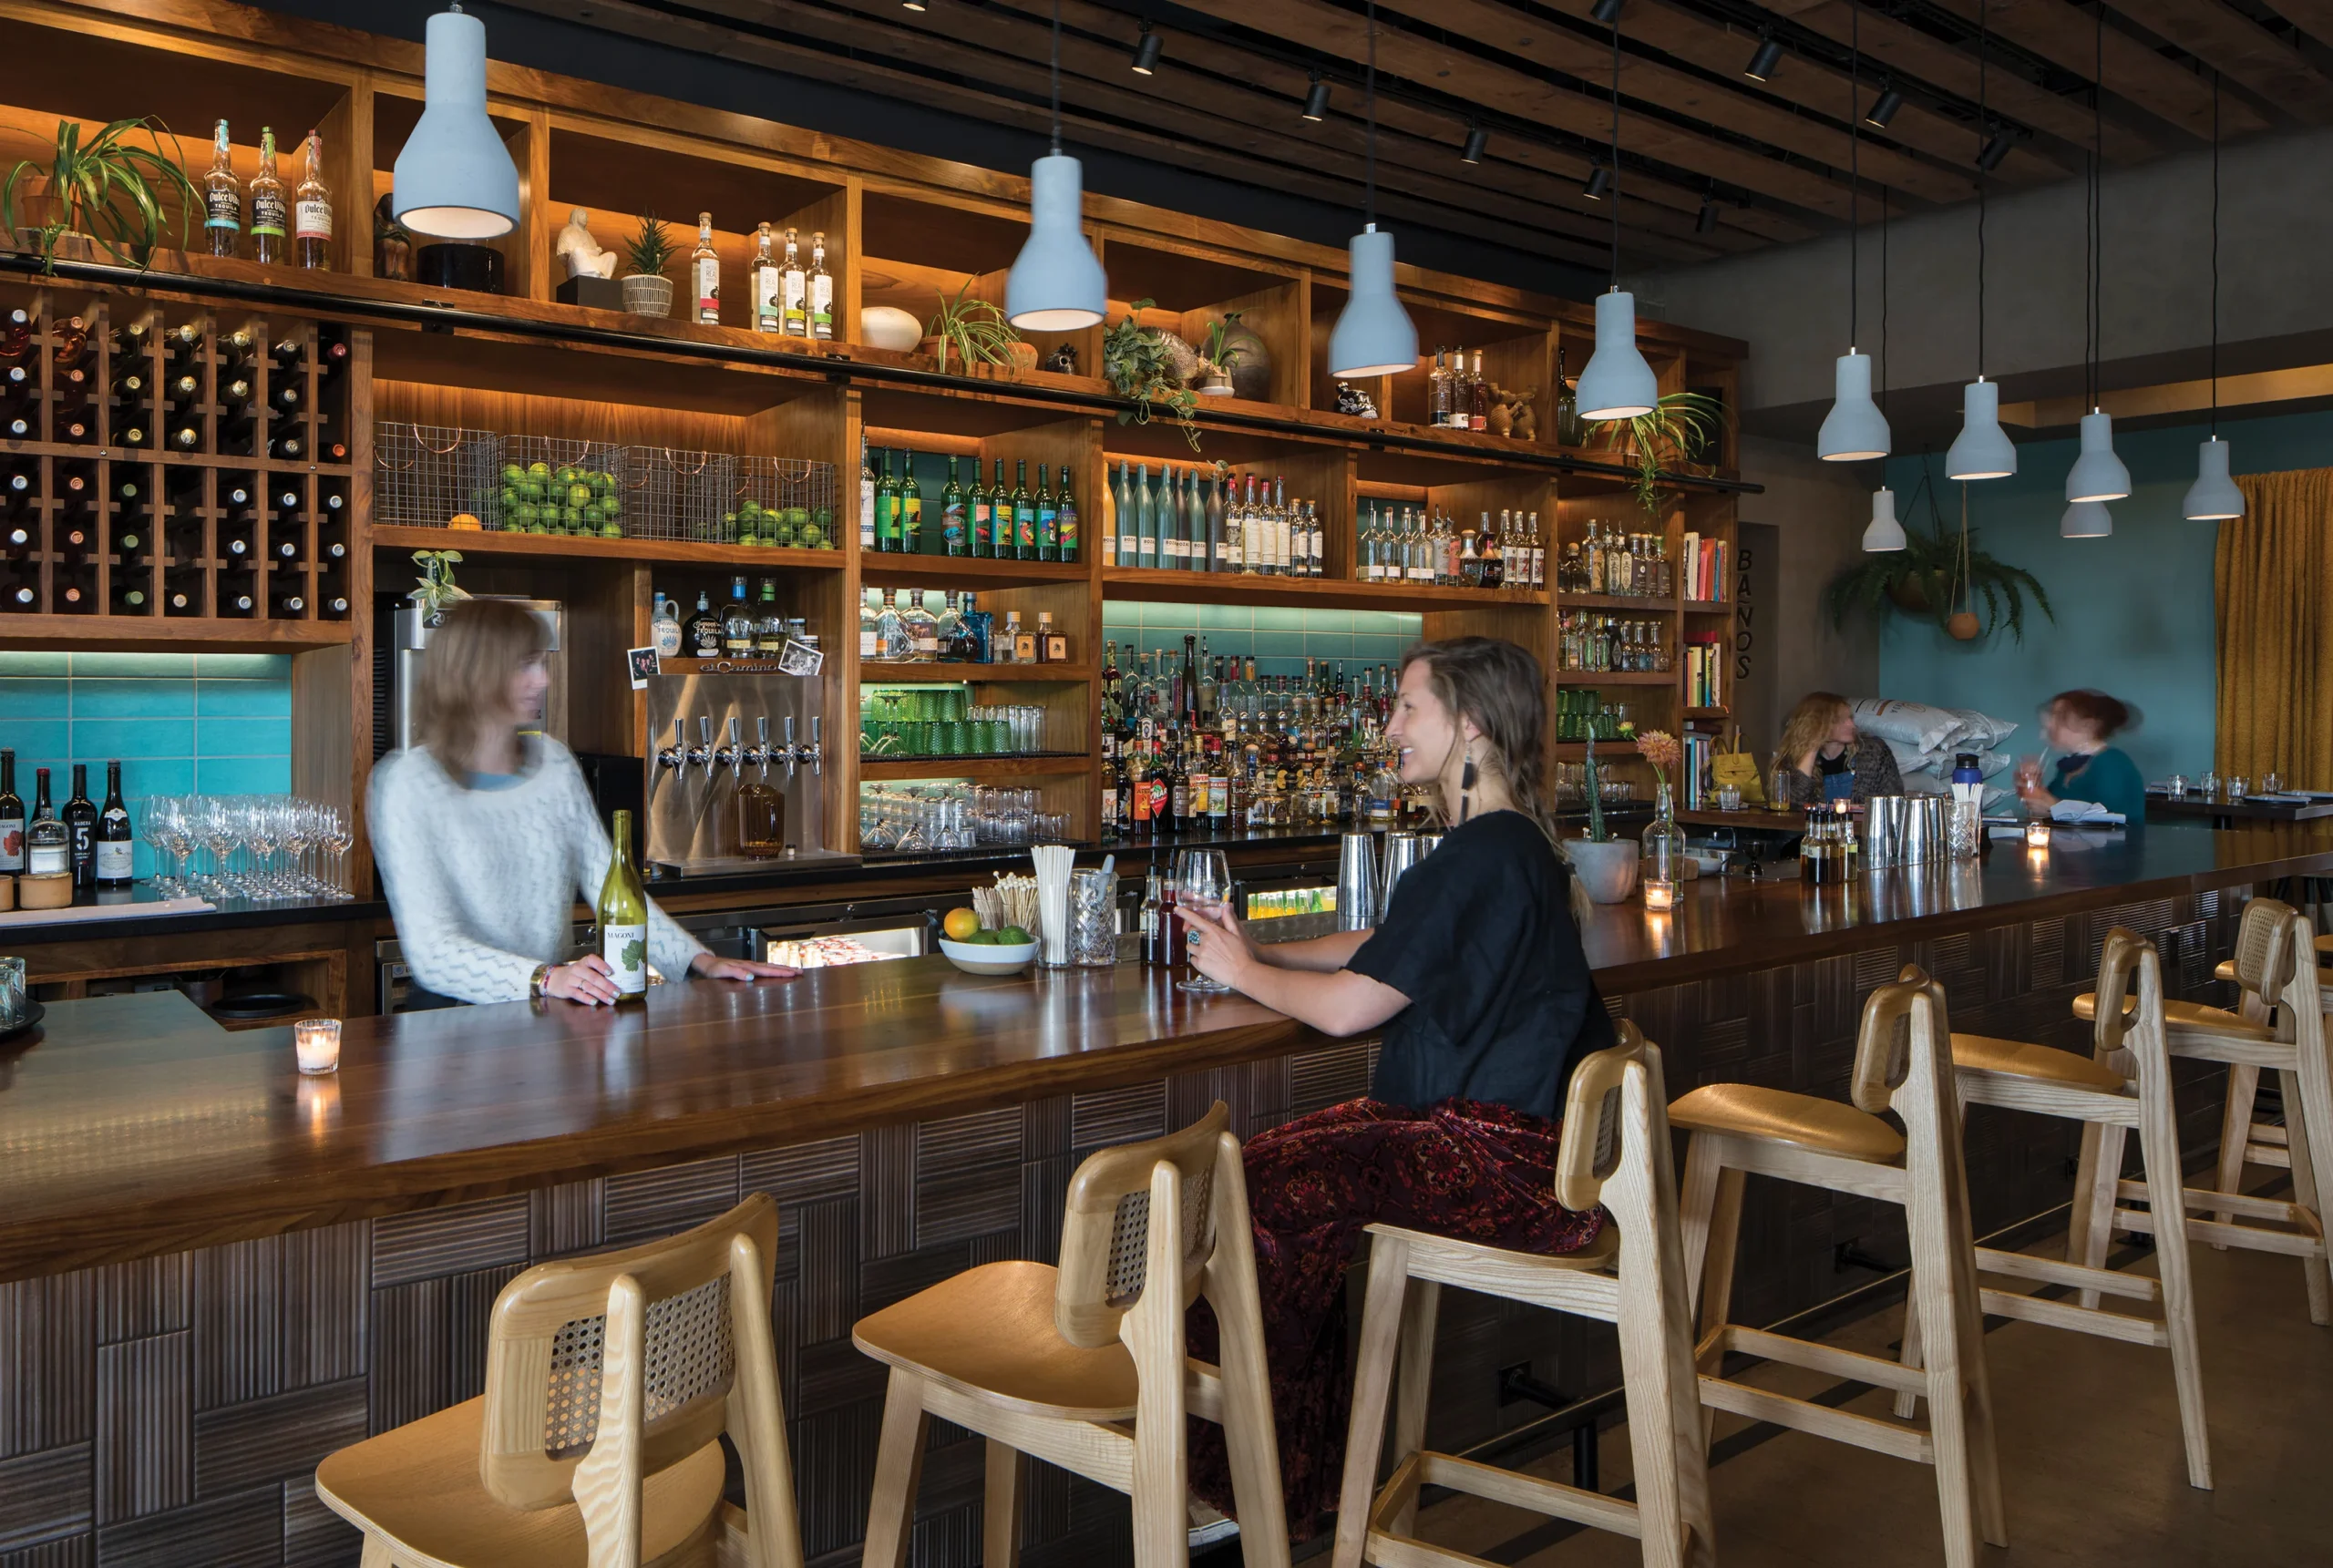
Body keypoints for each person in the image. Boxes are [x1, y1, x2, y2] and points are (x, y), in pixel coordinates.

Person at [1177, 637, 1614, 1538]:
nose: (1388, 726)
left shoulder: (1479, 853)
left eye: (1407, 707)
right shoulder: (1509, 843)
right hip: (1517, 1146)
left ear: (1470, 726)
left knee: (1256, 1183)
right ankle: (1297, 1475)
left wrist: (1241, 971)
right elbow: (1385, 944)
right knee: (1280, 1173)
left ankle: (1254, 1480)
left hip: (1495, 1159)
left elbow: (1347, 1008)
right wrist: (1256, 951)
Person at [369, 597, 795, 1008]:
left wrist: (698, 961)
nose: (543, 680)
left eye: (542, 663)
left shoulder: (553, 762)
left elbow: (610, 883)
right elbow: (432, 951)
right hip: (454, 1029)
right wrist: (545, 978)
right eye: (525, 666)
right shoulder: (407, 784)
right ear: (474, 674)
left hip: (546, 1012)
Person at [2019, 689, 2145, 824]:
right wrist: (2033, 790)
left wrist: (2054, 807)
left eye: (2059, 716)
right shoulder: (2067, 766)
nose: (2050, 724)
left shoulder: (2112, 763)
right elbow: (2046, 815)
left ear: (2087, 725)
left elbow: (2111, 819)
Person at [1774, 690, 1903, 807]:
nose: (1851, 725)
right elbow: (1794, 807)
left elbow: (1893, 802)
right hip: (1813, 831)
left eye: (1850, 718)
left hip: (1860, 832)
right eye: (1841, 720)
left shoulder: (1874, 752)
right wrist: (1811, 747)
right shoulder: (1792, 759)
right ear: (1817, 723)